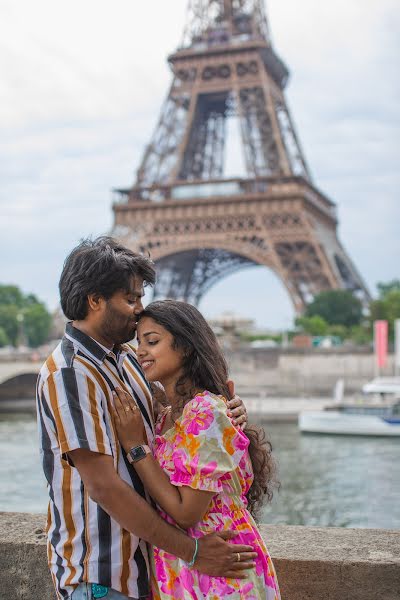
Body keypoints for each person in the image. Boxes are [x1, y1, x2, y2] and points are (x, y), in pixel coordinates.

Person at [36, 237, 255, 600]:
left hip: (151, 570)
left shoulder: (127, 361)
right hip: (104, 576)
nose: (139, 309)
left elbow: (181, 424)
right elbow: (105, 488)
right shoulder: (70, 372)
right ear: (95, 300)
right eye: (131, 298)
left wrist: (225, 411)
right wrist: (194, 551)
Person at [111, 299, 281, 600]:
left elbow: (185, 512)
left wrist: (135, 447)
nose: (141, 351)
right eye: (139, 342)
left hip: (219, 571)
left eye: (152, 341)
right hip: (185, 565)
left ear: (186, 347)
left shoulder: (206, 411)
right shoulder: (167, 416)